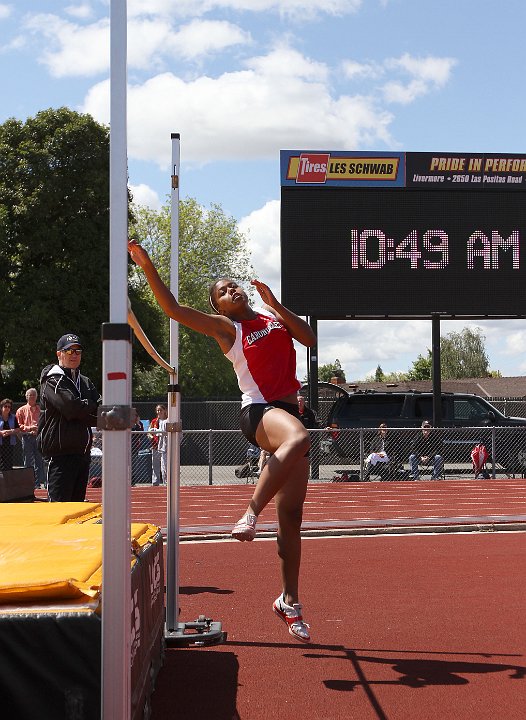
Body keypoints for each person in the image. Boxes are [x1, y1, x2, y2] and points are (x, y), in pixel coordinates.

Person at [129, 240, 316, 643]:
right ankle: (249, 513)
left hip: (289, 410)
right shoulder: (227, 329)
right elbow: (174, 311)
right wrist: (146, 266)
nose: (232, 290)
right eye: (222, 292)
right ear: (219, 307)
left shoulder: (270, 313)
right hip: (260, 412)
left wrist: (278, 305)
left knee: (292, 519)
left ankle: (289, 600)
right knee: (298, 437)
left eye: (234, 286)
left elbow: (309, 339)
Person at [37, 333, 101, 502]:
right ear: (59, 353)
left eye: (78, 351)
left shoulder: (85, 381)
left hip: (82, 454)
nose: (74, 355)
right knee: (59, 512)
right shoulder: (53, 379)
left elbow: (101, 412)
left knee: (77, 511)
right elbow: (71, 408)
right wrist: (87, 407)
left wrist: (83, 407)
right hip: (59, 456)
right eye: (69, 351)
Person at [15, 388, 46, 488]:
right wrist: (29, 428)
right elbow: (18, 425)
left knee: (39, 461)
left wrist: (38, 429)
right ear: (26, 396)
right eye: (30, 395)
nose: (32, 397)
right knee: (28, 461)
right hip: (27, 438)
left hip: (38, 438)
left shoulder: (40, 410)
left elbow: (44, 423)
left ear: (37, 397)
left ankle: (37, 484)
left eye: (34, 395)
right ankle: (28, 484)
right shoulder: (21, 410)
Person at [148, 404, 167, 485]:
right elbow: (149, 432)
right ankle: (155, 482)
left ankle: (166, 481)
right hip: (156, 446)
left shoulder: (167, 420)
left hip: (165, 446)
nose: (159, 412)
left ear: (165, 411)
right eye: (158, 410)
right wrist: (151, 436)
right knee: (155, 465)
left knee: (165, 465)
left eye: (161, 410)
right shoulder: (154, 421)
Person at [0, 398, 21, 471]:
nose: (7, 408)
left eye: (9, 407)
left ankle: (8, 481)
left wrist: (9, 432)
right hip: (0, 443)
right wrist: (1, 432)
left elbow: (18, 429)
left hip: (9, 444)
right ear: (1, 407)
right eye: (5, 406)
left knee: (8, 463)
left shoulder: (13, 417)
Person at [131, 410, 144, 485]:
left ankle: (132, 480)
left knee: (134, 465)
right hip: (127, 445)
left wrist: (138, 423)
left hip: (135, 447)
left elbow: (140, 434)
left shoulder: (139, 424)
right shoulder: (128, 423)